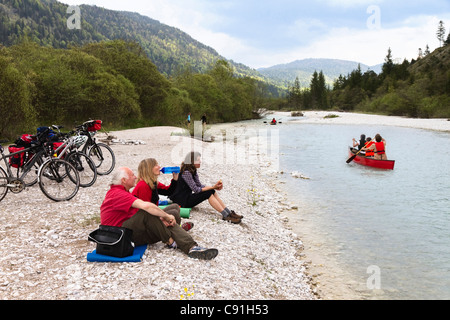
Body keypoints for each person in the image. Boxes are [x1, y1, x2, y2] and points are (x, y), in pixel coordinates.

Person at [100, 167, 218, 260]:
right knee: (150, 213)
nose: (135, 177)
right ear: (124, 180)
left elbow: (168, 191)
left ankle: (176, 233)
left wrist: (162, 217)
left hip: (130, 228)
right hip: (119, 236)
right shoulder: (118, 194)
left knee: (174, 209)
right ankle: (188, 246)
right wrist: (164, 216)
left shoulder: (124, 190)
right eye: (132, 175)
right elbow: (145, 208)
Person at [170, 152, 243, 224]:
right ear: (192, 162)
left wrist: (214, 187)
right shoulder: (186, 173)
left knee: (211, 191)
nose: (200, 161)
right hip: (182, 202)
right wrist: (212, 187)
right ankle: (225, 215)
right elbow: (196, 190)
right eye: (198, 160)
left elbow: (199, 185)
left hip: (186, 197)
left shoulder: (192, 170)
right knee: (208, 193)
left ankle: (229, 212)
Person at [132, 158, 193, 231]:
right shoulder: (143, 186)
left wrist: (175, 179)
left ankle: (176, 229)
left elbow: (168, 191)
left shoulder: (152, 182)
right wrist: (163, 216)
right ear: (149, 169)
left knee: (176, 206)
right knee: (173, 212)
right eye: (156, 165)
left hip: (151, 214)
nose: (159, 166)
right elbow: (146, 210)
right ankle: (177, 231)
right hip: (143, 221)